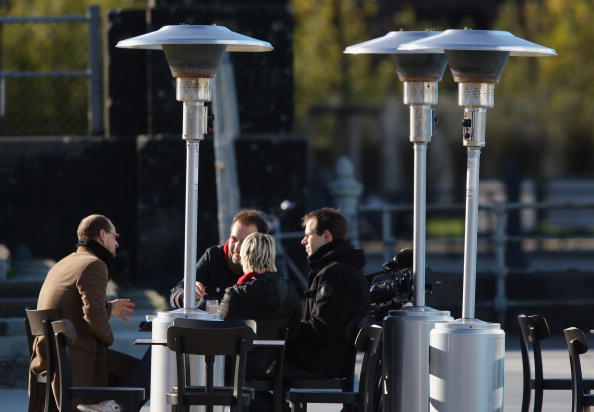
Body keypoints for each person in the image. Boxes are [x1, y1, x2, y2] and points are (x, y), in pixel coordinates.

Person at [29, 214, 149, 412]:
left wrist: (108, 307)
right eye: (115, 236)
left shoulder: (63, 263)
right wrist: (108, 340)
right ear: (102, 235)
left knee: (136, 374)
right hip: (78, 359)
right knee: (150, 374)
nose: (117, 243)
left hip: (51, 357)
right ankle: (111, 407)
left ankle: (111, 406)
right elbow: (94, 317)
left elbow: (72, 306)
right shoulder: (94, 264)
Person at [218, 232, 300, 412]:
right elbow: (294, 332)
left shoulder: (235, 295)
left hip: (237, 369)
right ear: (271, 255)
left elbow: (219, 333)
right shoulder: (290, 291)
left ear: (245, 257)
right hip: (274, 367)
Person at [285, 207, 370, 378]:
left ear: (326, 236)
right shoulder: (341, 269)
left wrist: (286, 327)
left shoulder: (334, 274)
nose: (303, 241)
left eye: (308, 235)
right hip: (329, 360)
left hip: (322, 364)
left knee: (257, 369)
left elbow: (323, 328)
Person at [169, 209, 269, 309]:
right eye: (233, 240)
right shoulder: (214, 256)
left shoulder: (268, 269)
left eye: (245, 242)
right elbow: (176, 291)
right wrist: (186, 294)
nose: (237, 248)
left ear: (261, 245)